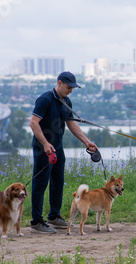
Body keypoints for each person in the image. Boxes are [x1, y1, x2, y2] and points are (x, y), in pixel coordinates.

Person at [29, 71, 98, 233]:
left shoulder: (66, 101)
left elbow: (72, 124)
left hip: (57, 147)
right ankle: (36, 222)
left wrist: (87, 142)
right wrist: (45, 144)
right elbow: (33, 123)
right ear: (59, 83)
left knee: (58, 182)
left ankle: (53, 217)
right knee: (40, 184)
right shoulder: (45, 99)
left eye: (73, 88)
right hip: (43, 148)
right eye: (68, 87)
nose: (71, 91)